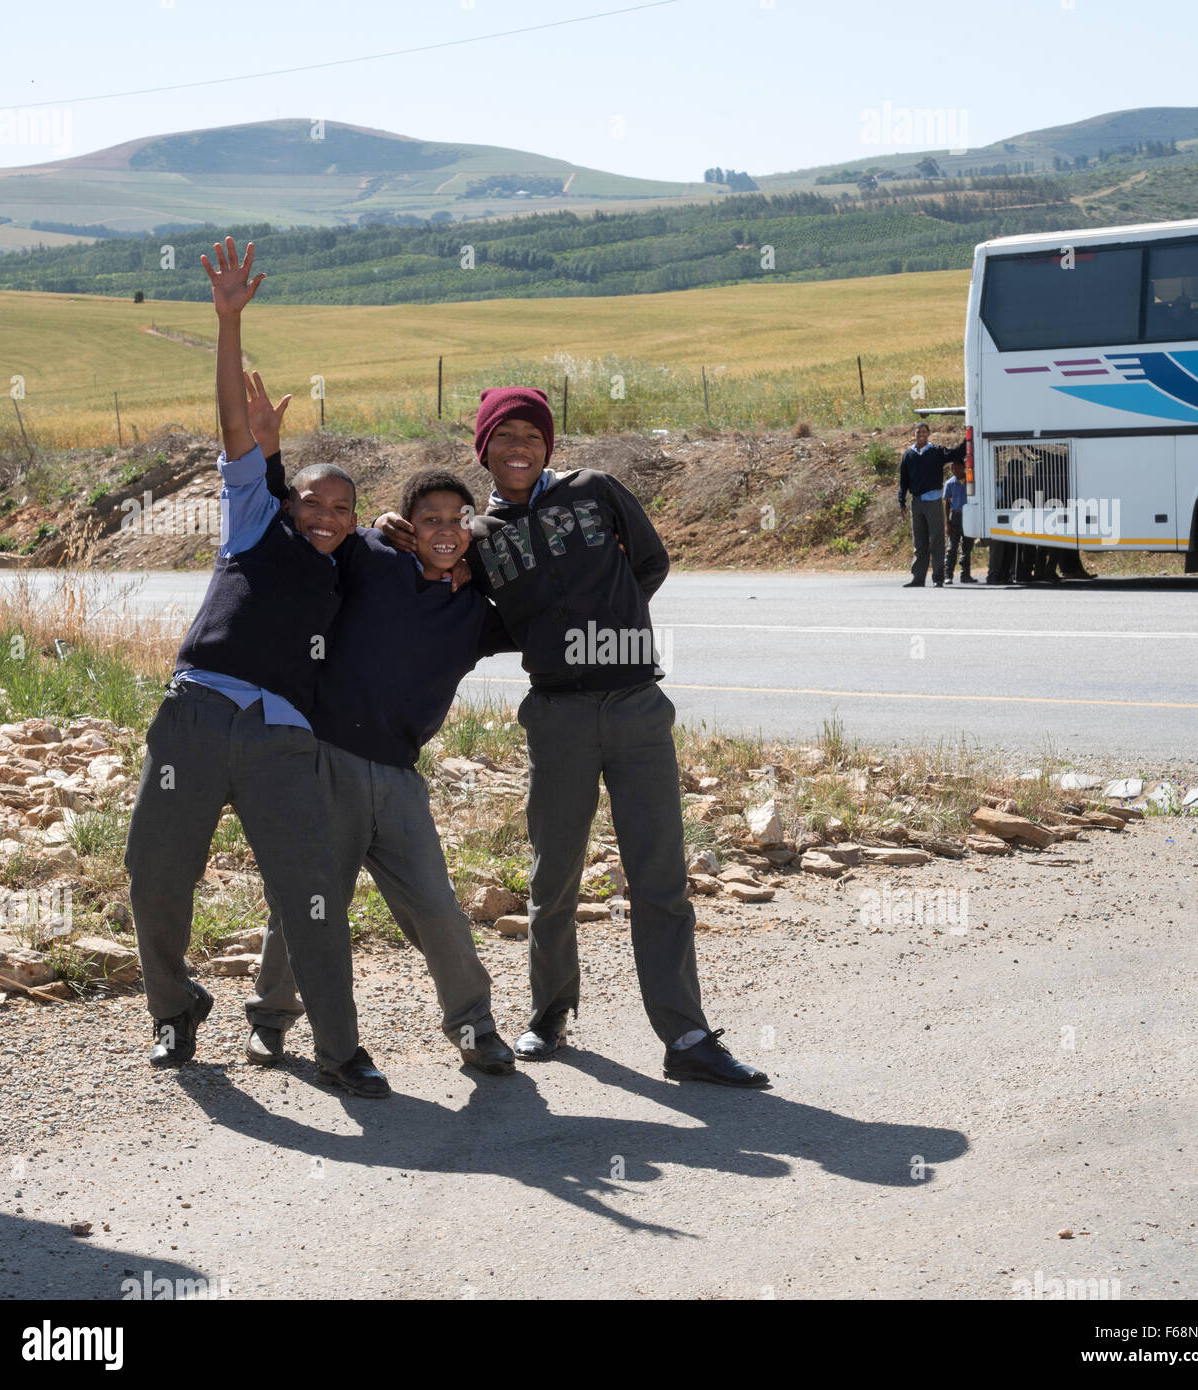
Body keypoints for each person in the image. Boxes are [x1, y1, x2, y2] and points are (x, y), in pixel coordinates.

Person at [374, 387, 768, 1088]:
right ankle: (550, 1012)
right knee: (552, 875)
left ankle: (686, 1035)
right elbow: (449, 583)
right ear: (484, 449)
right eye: (504, 437)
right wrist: (386, 527)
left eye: (532, 435)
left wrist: (605, 624)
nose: (518, 447)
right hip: (556, 714)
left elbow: (648, 563)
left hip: (636, 706)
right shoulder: (483, 532)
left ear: (548, 446)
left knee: (660, 878)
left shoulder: (597, 491)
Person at [123, 238, 387, 1098]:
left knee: (311, 896)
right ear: (287, 497)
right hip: (197, 715)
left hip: (282, 741)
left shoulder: (347, 570)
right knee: (156, 874)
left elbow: (420, 561)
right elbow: (234, 430)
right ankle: (173, 1010)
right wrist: (228, 322)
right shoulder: (250, 525)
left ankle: (338, 1050)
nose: (327, 513)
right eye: (314, 498)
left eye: (343, 508)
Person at [242, 429, 520, 1078]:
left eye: (457, 521)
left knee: (436, 907)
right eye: (429, 520)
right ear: (405, 527)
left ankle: (476, 1029)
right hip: (326, 764)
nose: (444, 531)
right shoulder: (371, 558)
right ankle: (270, 1022)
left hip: (398, 780)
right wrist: (363, 519)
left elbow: (541, 601)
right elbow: (316, 532)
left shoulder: (476, 612)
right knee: (306, 905)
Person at [898, 422, 965, 587]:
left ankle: (938, 578)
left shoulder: (936, 451)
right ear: (913, 434)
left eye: (924, 431)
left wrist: (967, 440)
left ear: (928, 433)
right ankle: (918, 578)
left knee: (936, 541)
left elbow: (957, 453)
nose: (921, 434)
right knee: (919, 542)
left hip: (933, 501)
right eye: (918, 431)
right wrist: (902, 502)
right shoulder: (908, 455)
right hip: (917, 502)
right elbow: (903, 481)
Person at [942, 457, 976, 584]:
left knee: (967, 547)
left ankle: (965, 575)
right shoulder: (950, 483)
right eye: (952, 468)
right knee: (952, 547)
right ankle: (948, 575)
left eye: (957, 467)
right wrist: (947, 522)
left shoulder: (970, 481)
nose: (955, 470)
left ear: (964, 467)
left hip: (968, 515)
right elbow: (947, 503)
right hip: (955, 516)